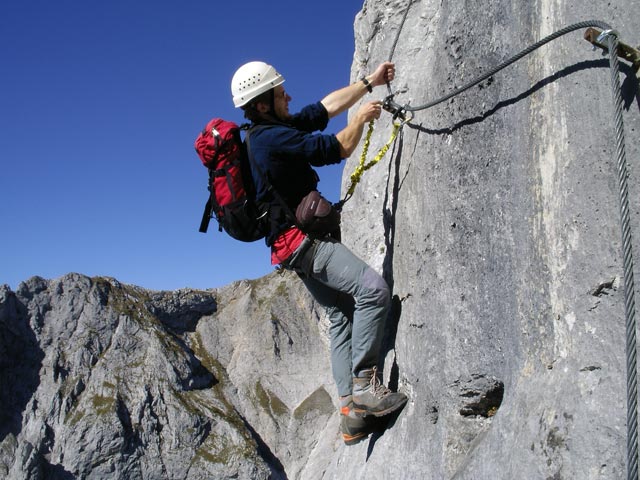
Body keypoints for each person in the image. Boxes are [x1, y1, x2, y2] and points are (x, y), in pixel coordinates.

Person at [230, 60, 407, 445]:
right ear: (262, 105)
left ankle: (350, 415)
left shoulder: (268, 130)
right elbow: (338, 148)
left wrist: (367, 82)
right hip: (306, 245)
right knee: (373, 291)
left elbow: (323, 109)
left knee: (341, 317)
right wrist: (360, 119)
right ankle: (364, 387)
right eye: (280, 94)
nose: (288, 95)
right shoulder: (270, 140)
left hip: (289, 250)